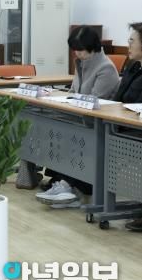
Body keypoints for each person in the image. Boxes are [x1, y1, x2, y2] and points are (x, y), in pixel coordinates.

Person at [31, 27, 121, 204]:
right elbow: (73, 91)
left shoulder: (106, 68)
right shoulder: (81, 64)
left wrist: (71, 100)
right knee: (53, 128)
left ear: (92, 47)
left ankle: (67, 185)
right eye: (75, 49)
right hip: (77, 120)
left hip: (95, 125)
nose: (77, 53)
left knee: (66, 135)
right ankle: (62, 182)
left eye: (80, 49)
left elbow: (94, 102)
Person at [111, 23, 142, 231]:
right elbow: (119, 98)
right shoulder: (133, 67)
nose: (128, 45)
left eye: (132, 41)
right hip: (124, 125)